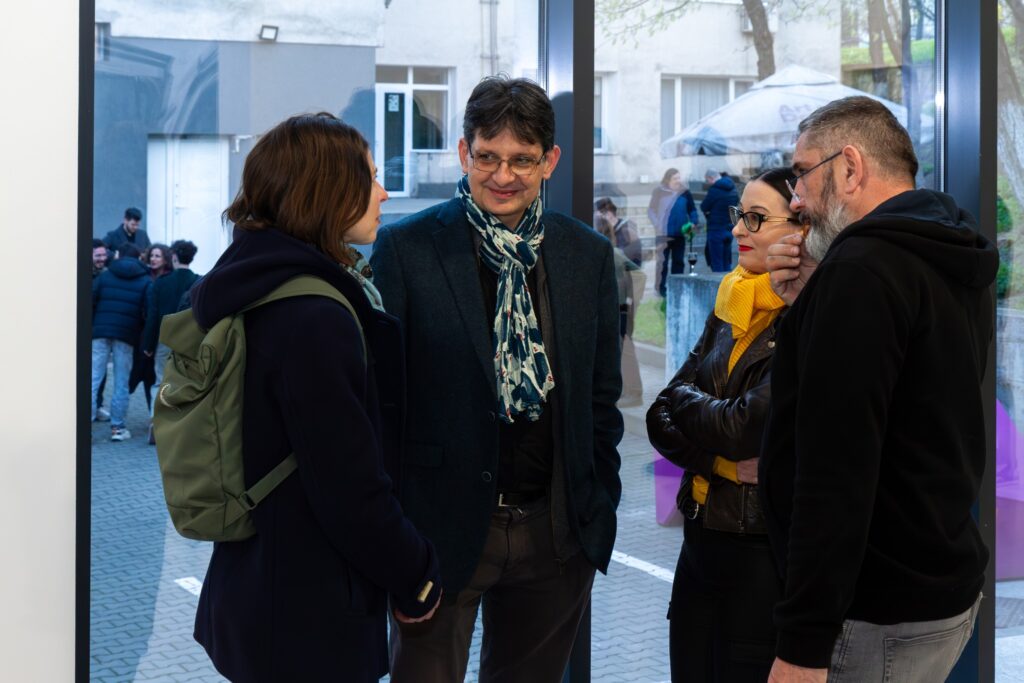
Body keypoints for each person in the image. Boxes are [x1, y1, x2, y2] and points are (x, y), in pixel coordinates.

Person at [371, 76, 623, 683]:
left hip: (555, 535)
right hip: (439, 534)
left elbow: (600, 399)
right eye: (488, 157)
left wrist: (597, 509)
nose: (503, 175)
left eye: (521, 160)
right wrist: (396, 539)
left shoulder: (585, 255)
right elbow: (382, 405)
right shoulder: (405, 248)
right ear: (464, 153)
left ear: (549, 161)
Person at [189, 113, 442, 682]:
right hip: (308, 616)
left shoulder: (254, 282)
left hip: (258, 585)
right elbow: (349, 486)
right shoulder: (313, 317)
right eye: (370, 177)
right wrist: (418, 574)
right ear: (326, 191)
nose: (383, 192)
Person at [761, 96, 995, 682]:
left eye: (801, 174)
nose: (795, 199)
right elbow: (914, 406)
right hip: (937, 585)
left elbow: (835, 471)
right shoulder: (944, 248)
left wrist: (802, 646)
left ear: (849, 167)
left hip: (875, 610)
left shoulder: (861, 271)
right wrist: (810, 305)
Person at [646, 167, 796, 682]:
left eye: (756, 218)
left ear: (799, 231)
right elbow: (659, 414)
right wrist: (720, 463)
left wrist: (691, 408)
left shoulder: (803, 319)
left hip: (758, 554)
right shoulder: (734, 298)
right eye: (739, 215)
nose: (736, 229)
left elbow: (740, 427)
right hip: (699, 539)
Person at [142, 239, 200, 444]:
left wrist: (148, 344)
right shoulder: (199, 281)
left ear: (173, 256)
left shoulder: (161, 283)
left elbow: (153, 316)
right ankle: (182, 426)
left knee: (160, 381)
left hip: (164, 338)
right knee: (186, 382)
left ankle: (155, 422)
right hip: (190, 340)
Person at [91, 244, 150, 441]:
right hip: (126, 335)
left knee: (93, 378)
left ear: (119, 255)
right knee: (121, 381)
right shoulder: (145, 279)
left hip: (100, 332)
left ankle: (84, 426)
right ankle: (117, 428)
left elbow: (91, 300)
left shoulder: (105, 276)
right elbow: (147, 311)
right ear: (138, 257)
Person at [594, 211, 644, 406]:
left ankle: (634, 393)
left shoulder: (612, 253)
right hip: (613, 309)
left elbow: (639, 275)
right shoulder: (607, 252)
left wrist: (632, 303)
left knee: (624, 350)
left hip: (619, 309)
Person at [649, 168, 700, 296]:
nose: (678, 180)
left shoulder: (685, 192)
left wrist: (693, 221)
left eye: (679, 177)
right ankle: (660, 288)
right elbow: (651, 210)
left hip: (679, 234)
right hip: (663, 235)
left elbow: (692, 210)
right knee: (662, 263)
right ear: (668, 180)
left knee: (678, 262)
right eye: (675, 178)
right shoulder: (659, 191)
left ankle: (677, 288)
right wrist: (657, 224)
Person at [701, 169, 740, 272]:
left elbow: (704, 206)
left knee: (717, 263)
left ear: (711, 178)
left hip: (716, 229)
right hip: (729, 229)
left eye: (708, 180)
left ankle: (718, 282)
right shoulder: (733, 188)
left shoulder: (714, 189)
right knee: (727, 261)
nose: (708, 183)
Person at [91, 238, 111, 422]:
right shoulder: (84, 275)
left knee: (100, 372)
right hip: (89, 329)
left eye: (104, 255)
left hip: (99, 330)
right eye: (98, 255)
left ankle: (97, 405)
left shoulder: (106, 274)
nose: (102, 258)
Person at [595, 196, 642, 266]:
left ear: (609, 214)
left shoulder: (626, 231)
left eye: (600, 217)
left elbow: (633, 260)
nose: (599, 222)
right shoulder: (608, 231)